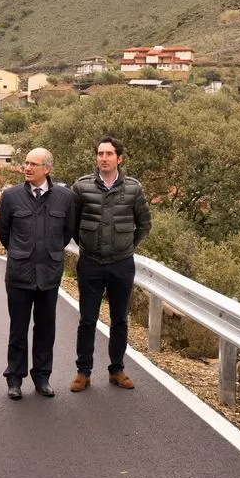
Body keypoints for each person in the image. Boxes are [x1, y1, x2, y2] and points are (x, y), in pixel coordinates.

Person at [70, 136, 151, 393]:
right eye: (100, 153)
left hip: (121, 264)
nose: (103, 158)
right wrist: (87, 245)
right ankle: (83, 372)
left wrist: (126, 246)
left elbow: (144, 224)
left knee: (120, 320)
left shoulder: (133, 189)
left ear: (120, 158)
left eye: (109, 154)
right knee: (87, 320)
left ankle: (117, 370)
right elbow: (72, 224)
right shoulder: (81, 187)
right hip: (90, 263)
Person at [0, 148, 76, 400]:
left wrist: (50, 253)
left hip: (49, 274)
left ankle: (42, 377)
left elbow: (67, 232)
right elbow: (3, 232)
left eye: (33, 164)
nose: (27, 168)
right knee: (18, 328)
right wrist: (20, 252)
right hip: (19, 274)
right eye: (26, 163)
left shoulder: (65, 197)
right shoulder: (11, 196)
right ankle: (15, 378)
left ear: (47, 169)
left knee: (46, 328)